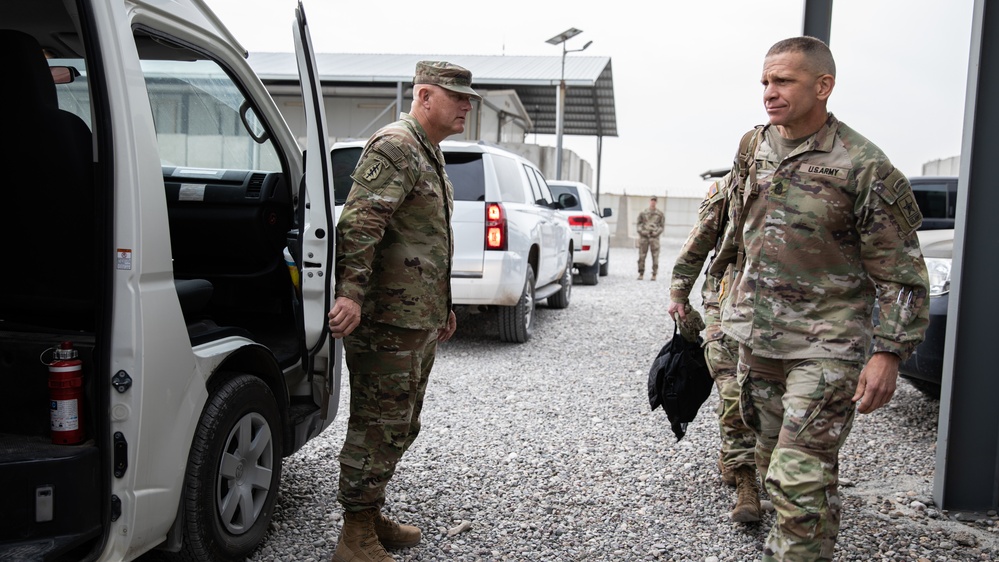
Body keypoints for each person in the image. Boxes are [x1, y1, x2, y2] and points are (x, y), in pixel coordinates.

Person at [709, 37, 930, 561]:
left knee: (798, 476)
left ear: (823, 86)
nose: (769, 92)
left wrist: (888, 352)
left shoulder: (864, 166)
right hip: (757, 341)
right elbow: (737, 233)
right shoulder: (753, 146)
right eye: (765, 81)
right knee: (771, 466)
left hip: (826, 346)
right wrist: (717, 301)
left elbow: (900, 273)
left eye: (783, 81)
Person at [327, 60, 477, 562]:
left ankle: (370, 514)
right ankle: (354, 536)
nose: (466, 105)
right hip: (385, 321)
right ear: (424, 96)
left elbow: (429, 241)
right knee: (377, 422)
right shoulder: (396, 146)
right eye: (456, 96)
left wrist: (443, 307)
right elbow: (361, 221)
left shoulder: (427, 152)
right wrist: (349, 292)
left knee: (402, 421)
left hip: (415, 318)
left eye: (467, 97)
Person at [667, 172, 762, 523]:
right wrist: (679, 292)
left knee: (776, 400)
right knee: (735, 390)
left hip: (791, 314)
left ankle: (760, 465)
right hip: (727, 304)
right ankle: (745, 481)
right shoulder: (733, 185)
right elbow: (700, 241)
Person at [636, 195, 665, 280]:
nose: (653, 202)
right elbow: (639, 224)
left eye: (654, 201)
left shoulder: (660, 214)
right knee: (642, 256)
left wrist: (656, 233)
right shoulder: (643, 213)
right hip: (644, 237)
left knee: (655, 256)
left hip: (654, 237)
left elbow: (661, 226)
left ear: (656, 202)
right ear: (649, 201)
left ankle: (654, 274)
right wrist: (642, 232)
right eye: (652, 200)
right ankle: (641, 273)